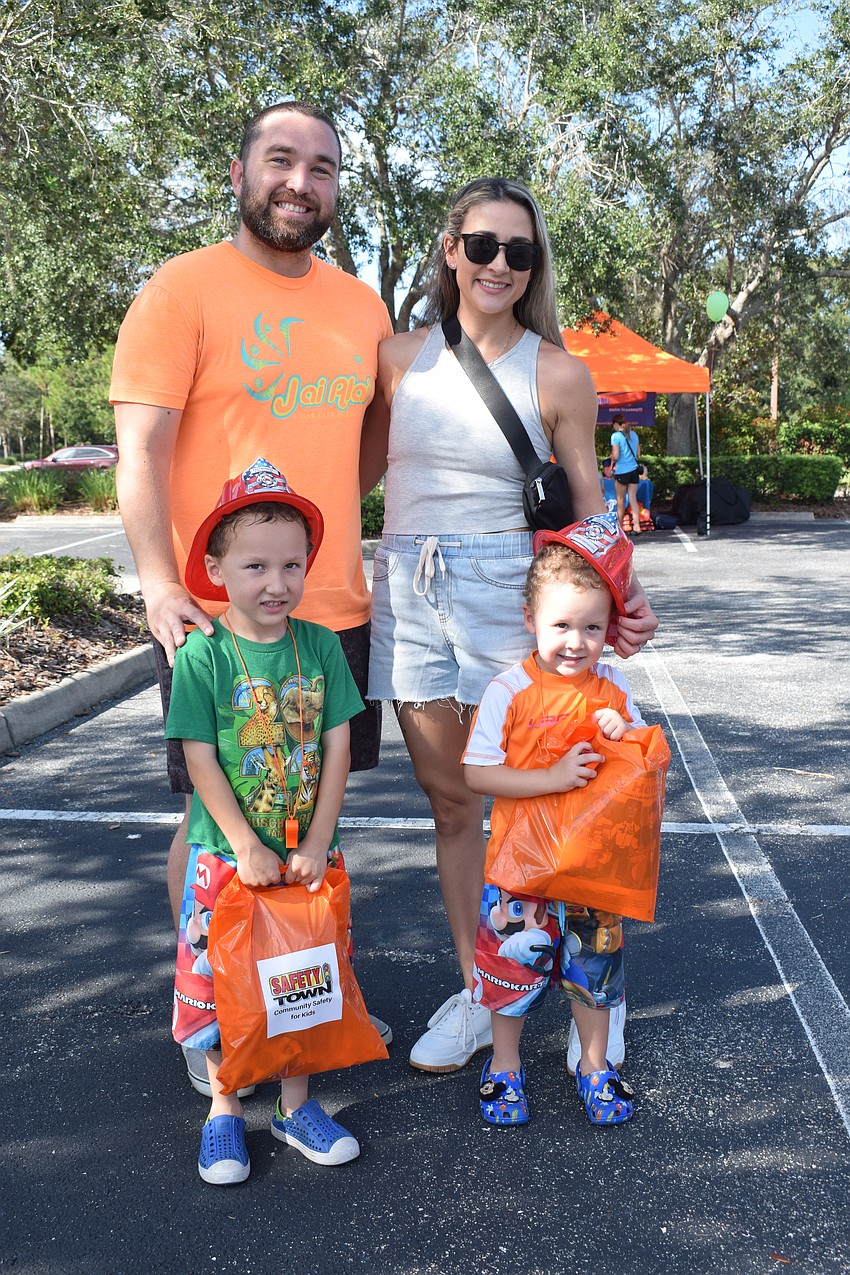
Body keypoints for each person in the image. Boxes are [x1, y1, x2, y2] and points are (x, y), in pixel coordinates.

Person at [109, 101, 394, 1085]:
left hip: (331, 611)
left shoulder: (362, 308)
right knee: (213, 822)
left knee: (309, 820)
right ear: (239, 174)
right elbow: (139, 453)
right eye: (280, 160)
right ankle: (212, 1010)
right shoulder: (181, 290)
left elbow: (363, 452)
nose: (299, 182)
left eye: (321, 167)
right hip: (216, 621)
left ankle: (297, 990)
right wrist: (159, 583)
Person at [365, 177, 658, 1073]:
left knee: (556, 795)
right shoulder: (396, 356)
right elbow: (355, 470)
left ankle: (591, 994)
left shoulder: (557, 370)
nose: (499, 264)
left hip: (507, 585)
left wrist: (623, 594)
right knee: (453, 799)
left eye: (519, 251)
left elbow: (589, 505)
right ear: (450, 249)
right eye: (483, 245)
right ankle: (480, 986)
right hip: (409, 584)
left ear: (534, 266)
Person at [166, 458, 369, 1182]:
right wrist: (245, 844)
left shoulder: (319, 645)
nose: (275, 582)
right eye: (255, 566)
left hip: (306, 857)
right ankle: (223, 1109)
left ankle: (294, 1105)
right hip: (227, 858)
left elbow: (339, 744)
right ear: (215, 570)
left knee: (299, 981)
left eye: (291, 565)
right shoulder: (203, 655)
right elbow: (199, 758)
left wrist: (317, 838)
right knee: (220, 985)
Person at [464, 513, 650, 1127]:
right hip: (521, 869)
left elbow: (642, 758)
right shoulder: (508, 690)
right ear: (530, 620)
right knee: (511, 973)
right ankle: (504, 1066)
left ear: (609, 627)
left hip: (594, 868)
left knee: (595, 975)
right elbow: (477, 773)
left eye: (593, 627)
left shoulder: (613, 686)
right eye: (561, 626)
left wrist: (626, 730)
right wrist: (551, 778)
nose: (577, 642)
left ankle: (595, 1066)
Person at [609, 413, 642, 533]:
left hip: (622, 471)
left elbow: (616, 455)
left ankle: (620, 528)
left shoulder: (615, 436)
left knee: (620, 500)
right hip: (634, 470)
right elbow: (638, 454)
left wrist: (611, 457)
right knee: (633, 498)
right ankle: (637, 526)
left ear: (616, 424)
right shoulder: (634, 434)